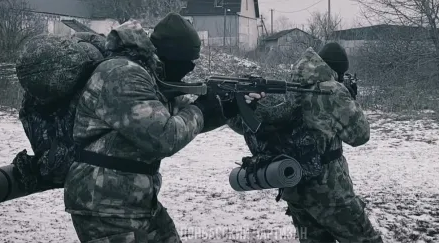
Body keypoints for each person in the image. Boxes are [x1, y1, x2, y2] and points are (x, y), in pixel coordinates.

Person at [64, 15, 263, 243]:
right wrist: (201, 109)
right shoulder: (123, 74)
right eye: (186, 62)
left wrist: (226, 108)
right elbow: (164, 137)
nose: (188, 69)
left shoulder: (148, 74)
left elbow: (182, 120)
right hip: (104, 204)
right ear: (171, 56)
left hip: (132, 200)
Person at [228, 42, 383, 243]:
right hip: (330, 191)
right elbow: (360, 135)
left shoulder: (289, 86)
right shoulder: (331, 91)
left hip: (295, 186)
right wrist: (351, 100)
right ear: (337, 71)